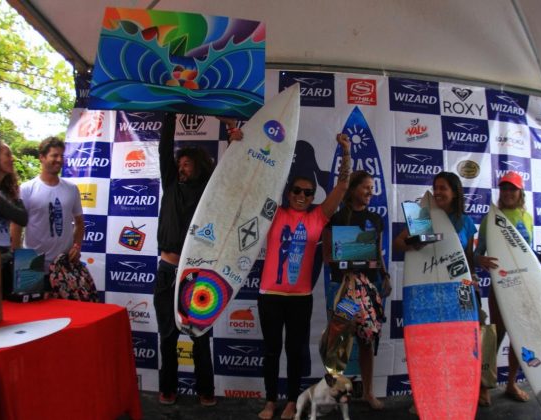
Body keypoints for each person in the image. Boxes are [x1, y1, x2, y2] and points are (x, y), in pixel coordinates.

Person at [257, 133, 351, 420]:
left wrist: (346, 153)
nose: (301, 196)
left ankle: (290, 402)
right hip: (269, 295)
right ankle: (270, 401)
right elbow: (256, 183)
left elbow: (343, 185)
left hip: (300, 298)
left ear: (313, 197)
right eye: (297, 191)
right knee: (272, 352)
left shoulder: (317, 217)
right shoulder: (273, 212)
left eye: (308, 193)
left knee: (295, 352)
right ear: (289, 192)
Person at [153, 113, 242, 407]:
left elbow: (229, 172)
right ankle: (168, 389)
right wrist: (170, 112)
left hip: (196, 274)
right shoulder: (170, 184)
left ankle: (206, 391)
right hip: (167, 272)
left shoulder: (209, 191)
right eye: (179, 164)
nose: (180, 167)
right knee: (167, 337)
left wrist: (233, 135)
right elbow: (165, 148)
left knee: (200, 337)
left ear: (199, 167)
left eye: (186, 164)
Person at [393, 172, 478, 413]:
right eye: (435, 187)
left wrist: (472, 284)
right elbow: (398, 244)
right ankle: (427, 395)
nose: (437, 192)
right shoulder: (422, 215)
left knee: (459, 344)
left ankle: (459, 394)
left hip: (460, 288)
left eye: (443, 188)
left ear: (455, 192)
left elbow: (468, 259)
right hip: (426, 289)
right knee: (429, 345)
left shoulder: (466, 222)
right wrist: (412, 242)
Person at [322, 170, 392, 410]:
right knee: (339, 341)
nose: (370, 191)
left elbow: (378, 253)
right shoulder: (337, 218)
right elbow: (327, 255)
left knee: (366, 341)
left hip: (369, 288)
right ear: (352, 190)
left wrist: (385, 275)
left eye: (372, 187)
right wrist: (345, 262)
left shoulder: (376, 219)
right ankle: (334, 395)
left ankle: (368, 393)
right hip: (345, 286)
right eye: (365, 187)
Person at [475, 171, 532, 405]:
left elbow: (529, 255)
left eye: (513, 189)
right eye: (505, 189)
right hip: (500, 286)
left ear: (520, 192)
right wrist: (481, 261)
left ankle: (510, 384)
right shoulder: (491, 217)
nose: (508, 193)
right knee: (496, 336)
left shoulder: (526, 216)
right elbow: (478, 253)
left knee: (520, 337)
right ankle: (484, 385)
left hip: (523, 286)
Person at [10, 137, 83, 275]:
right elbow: (16, 225)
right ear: (42, 157)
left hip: (64, 265)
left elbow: (79, 223)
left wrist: (76, 246)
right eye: (54, 155)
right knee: (37, 298)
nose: (59, 160)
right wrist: (18, 258)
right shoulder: (26, 189)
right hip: (33, 266)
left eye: (62, 156)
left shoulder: (72, 189)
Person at [0, 140, 28, 294]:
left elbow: (22, 218)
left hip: (5, 255)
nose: (12, 159)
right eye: (7, 154)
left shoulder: (11, 189)